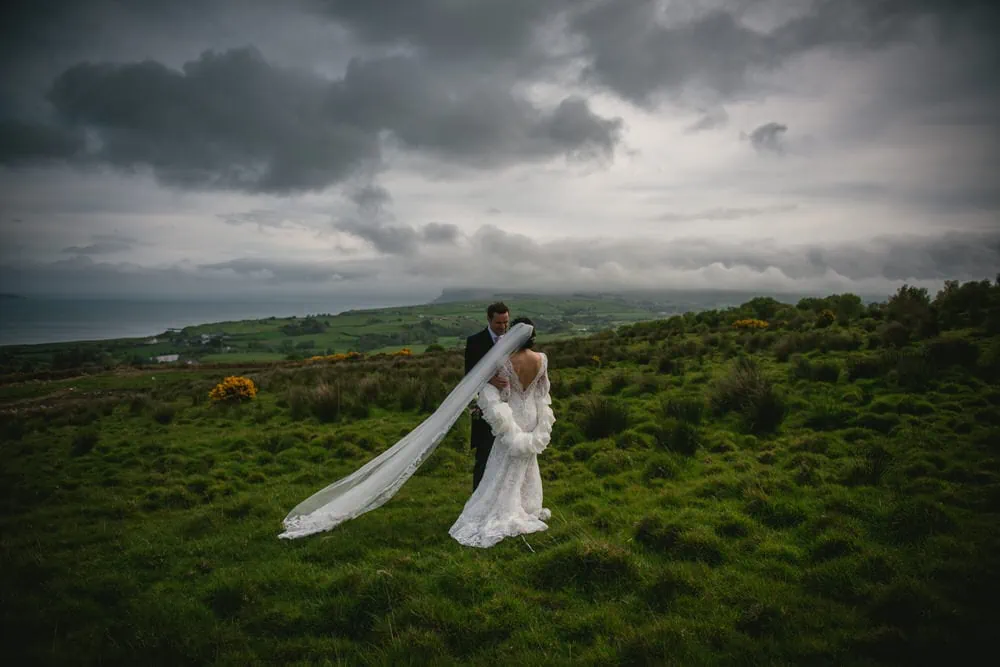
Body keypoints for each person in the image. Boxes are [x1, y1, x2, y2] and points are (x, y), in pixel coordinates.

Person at [449, 316, 555, 548]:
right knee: (527, 459)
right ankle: (528, 506)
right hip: (532, 414)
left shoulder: (505, 360)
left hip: (513, 413)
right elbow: (543, 390)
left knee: (503, 460)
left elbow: (503, 391)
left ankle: (506, 507)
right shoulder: (542, 359)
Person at [464, 302, 510, 491]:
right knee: (484, 454)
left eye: (506, 322)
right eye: (499, 323)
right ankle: (477, 497)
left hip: (509, 405)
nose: (503, 327)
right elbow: (469, 374)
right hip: (485, 405)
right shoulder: (475, 341)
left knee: (506, 453)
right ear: (489, 319)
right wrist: (490, 379)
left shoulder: (512, 340)